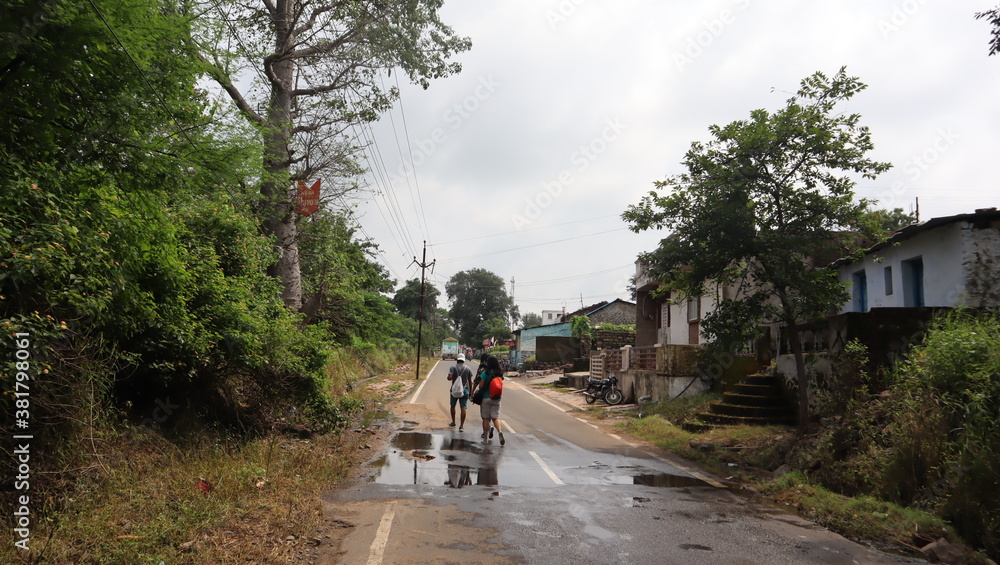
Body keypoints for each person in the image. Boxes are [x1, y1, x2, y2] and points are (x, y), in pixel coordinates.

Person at [471, 355, 505, 446]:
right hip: (497, 398)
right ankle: (500, 432)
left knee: (485, 418)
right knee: (495, 417)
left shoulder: (485, 373)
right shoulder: (500, 374)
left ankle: (485, 439)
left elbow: (481, 386)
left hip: (486, 398)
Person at [447, 354, 472, 431]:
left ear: (457, 360)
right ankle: (461, 426)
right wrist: (471, 392)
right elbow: (470, 382)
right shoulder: (468, 369)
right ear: (464, 360)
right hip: (465, 390)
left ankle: (454, 422)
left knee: (453, 406)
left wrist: (449, 377)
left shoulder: (453, 368)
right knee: (463, 407)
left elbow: (449, 378)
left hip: (455, 390)